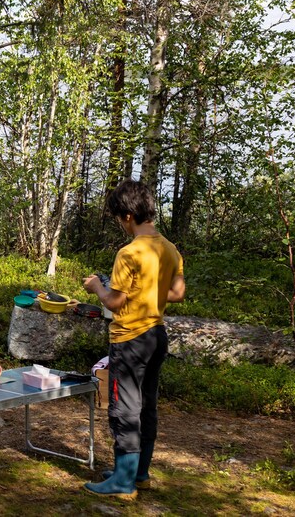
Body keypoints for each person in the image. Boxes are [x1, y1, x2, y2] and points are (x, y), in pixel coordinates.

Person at [81, 179, 185, 500]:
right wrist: (148, 295)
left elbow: (114, 302)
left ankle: (122, 481)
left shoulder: (128, 253)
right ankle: (139, 473)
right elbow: (178, 293)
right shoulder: (169, 248)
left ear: (127, 215)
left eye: (117, 217)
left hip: (130, 340)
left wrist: (97, 285)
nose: (118, 223)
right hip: (157, 336)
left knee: (125, 407)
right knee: (147, 405)